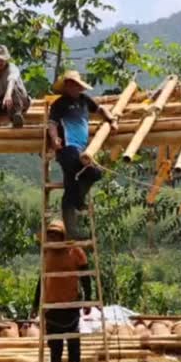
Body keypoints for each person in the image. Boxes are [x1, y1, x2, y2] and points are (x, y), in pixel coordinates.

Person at [47, 70, 117, 239]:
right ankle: (77, 208)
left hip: (81, 149)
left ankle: (75, 212)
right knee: (86, 176)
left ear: (79, 86)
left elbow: (101, 109)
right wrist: (55, 139)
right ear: (66, 86)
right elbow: (52, 124)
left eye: (76, 84)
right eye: (70, 84)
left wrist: (112, 120)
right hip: (67, 149)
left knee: (84, 179)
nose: (73, 87)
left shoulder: (85, 101)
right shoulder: (59, 104)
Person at [32, 219, 93, 362]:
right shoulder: (47, 253)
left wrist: (88, 299)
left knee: (73, 339)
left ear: (63, 236)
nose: (53, 239)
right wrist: (35, 304)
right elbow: (42, 280)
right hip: (52, 303)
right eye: (50, 236)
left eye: (56, 236)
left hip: (70, 301)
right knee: (55, 341)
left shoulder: (76, 252)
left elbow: (85, 278)